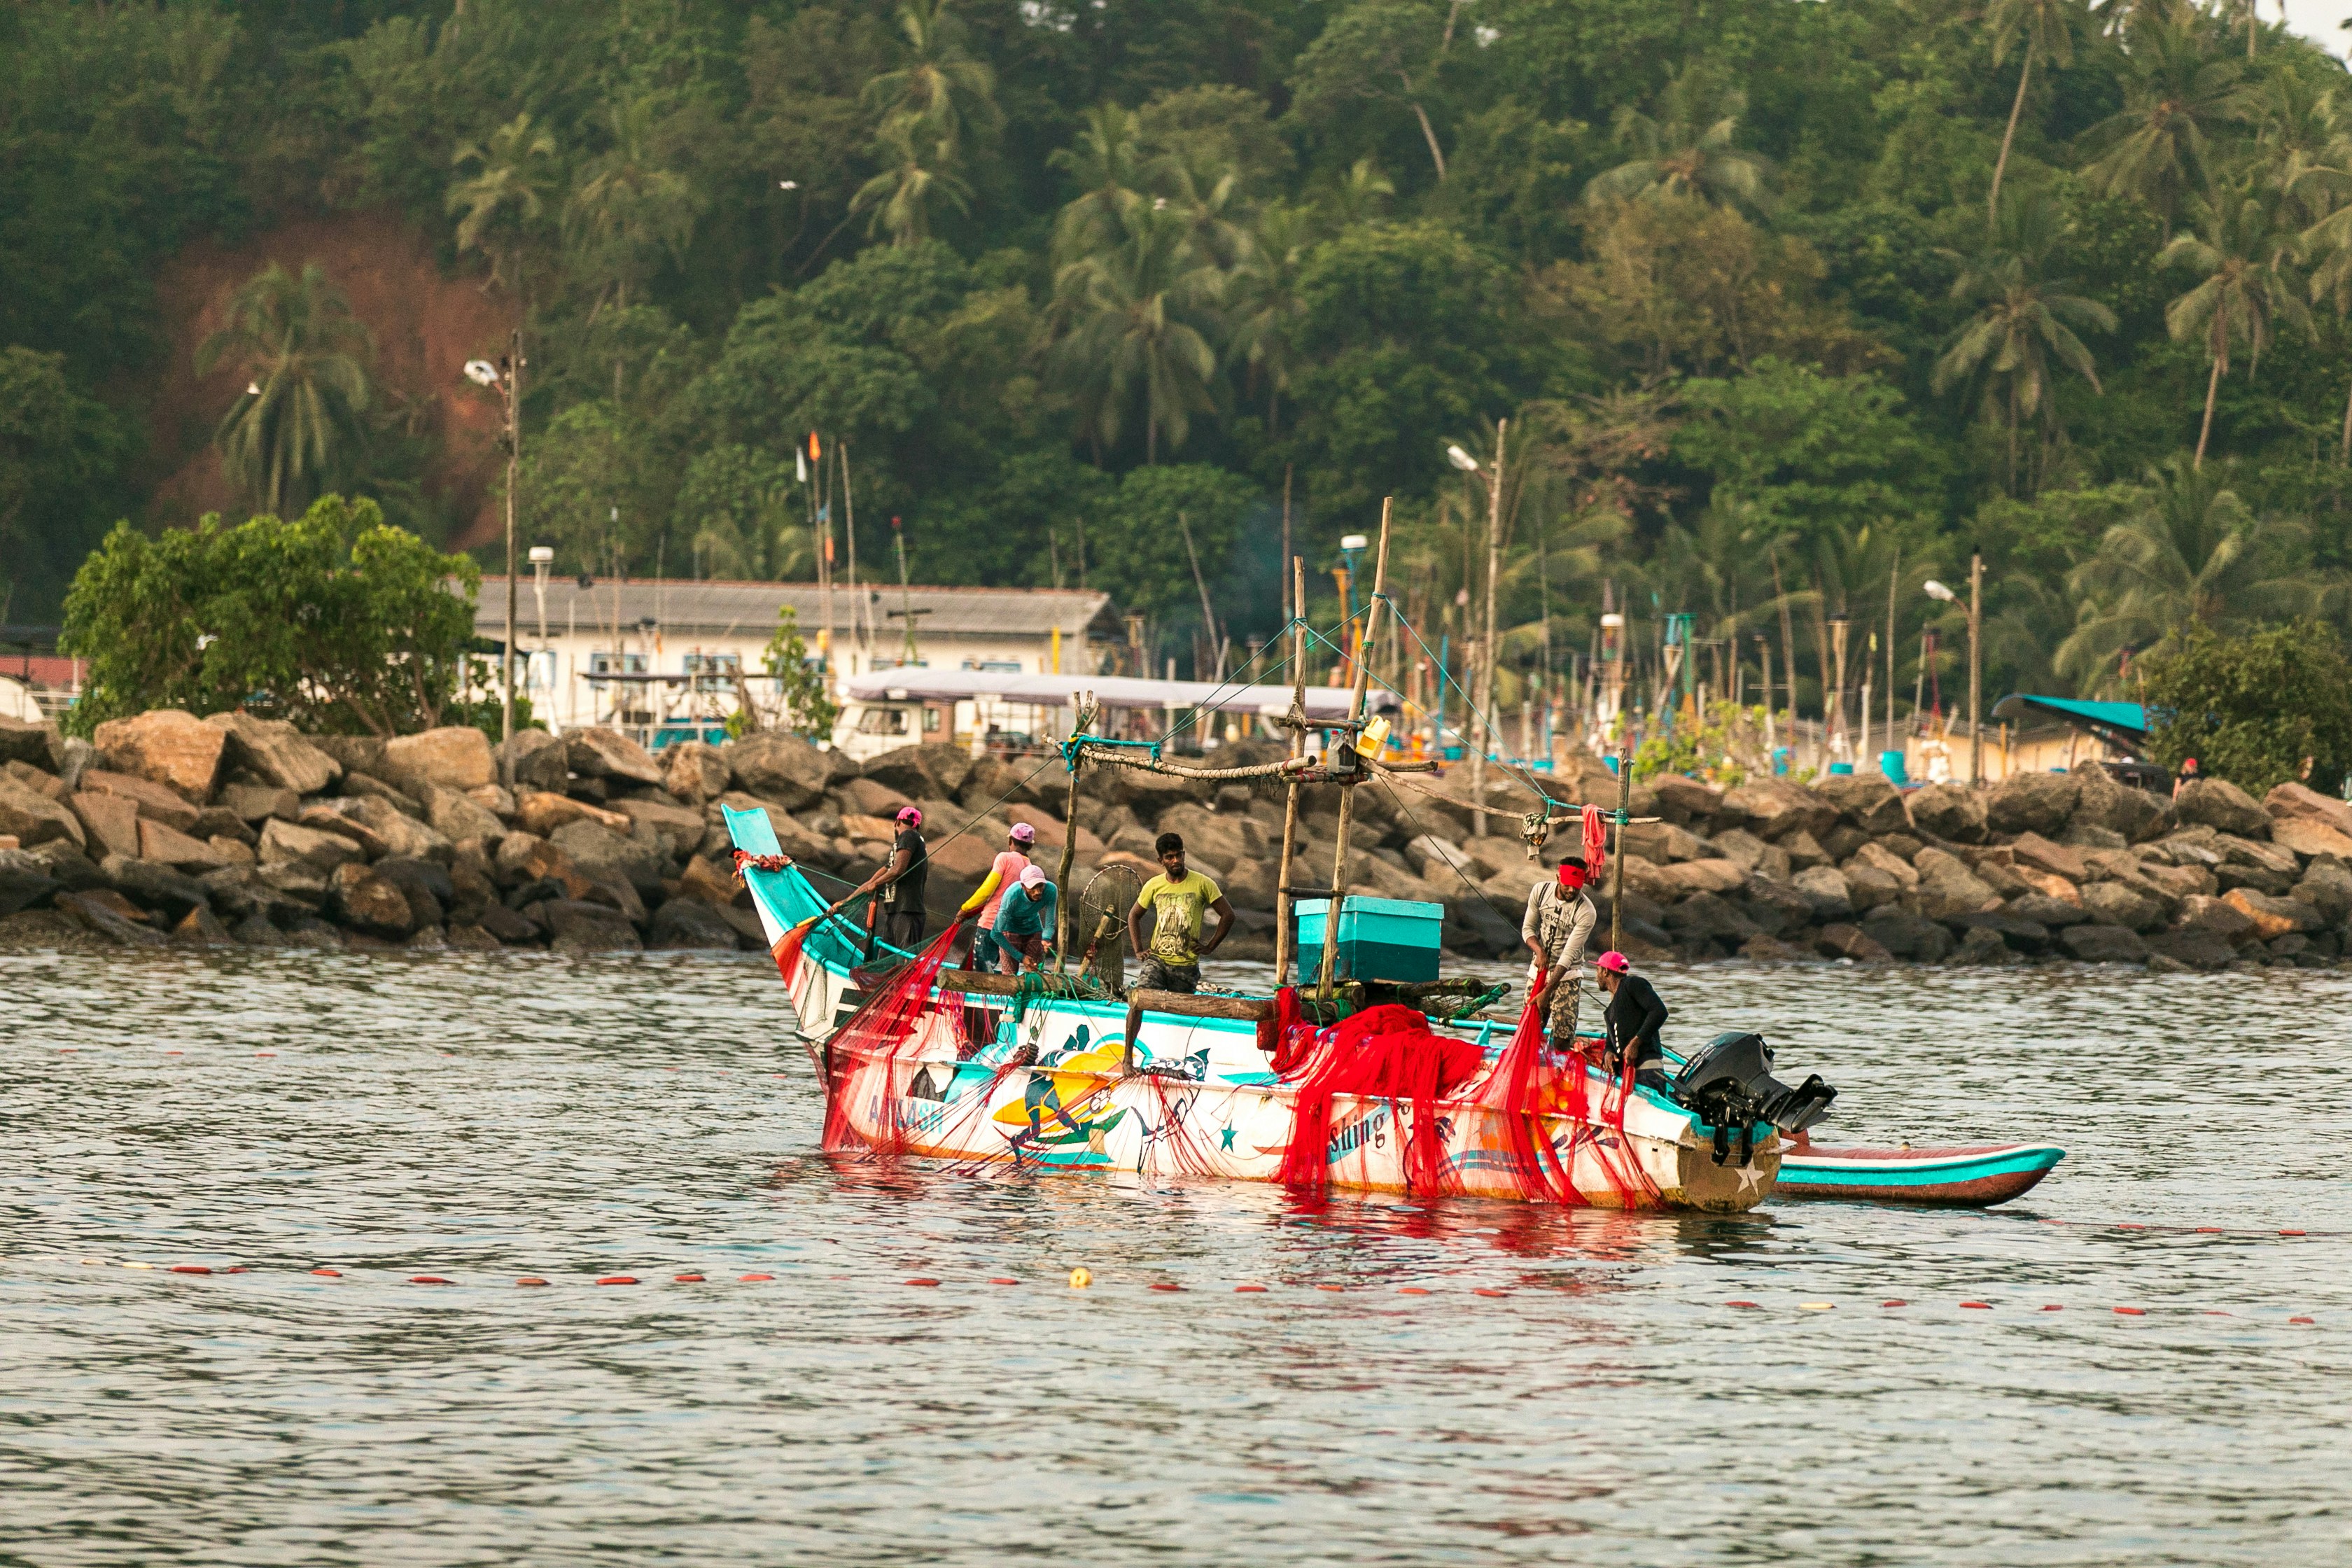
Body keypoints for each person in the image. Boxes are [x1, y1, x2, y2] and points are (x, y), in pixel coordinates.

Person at [1127, 832, 1233, 995]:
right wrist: (1139, 950)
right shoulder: (1153, 885)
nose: (1175, 861)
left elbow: (1228, 915)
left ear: (1183, 855)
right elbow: (1134, 916)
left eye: (1178, 855)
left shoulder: (1203, 883)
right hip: (1157, 960)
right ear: (1161, 861)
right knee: (1140, 998)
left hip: (1187, 965)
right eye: (1169, 857)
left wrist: (1210, 947)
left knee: (1180, 1010)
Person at [1523, 854, 1599, 1049]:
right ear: (1558, 878)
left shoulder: (1586, 911)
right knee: (1530, 1030)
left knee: (1563, 1037)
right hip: (1538, 971)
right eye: (1567, 884)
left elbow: (1568, 955)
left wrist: (1547, 992)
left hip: (1568, 976)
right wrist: (1539, 951)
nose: (1572, 890)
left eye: (1577, 885)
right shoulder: (1540, 891)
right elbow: (1528, 929)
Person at [958, 822, 1037, 972]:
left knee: (981, 975)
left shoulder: (1004, 858)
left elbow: (987, 890)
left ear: (1010, 841)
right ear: (1030, 846)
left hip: (990, 925)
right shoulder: (1031, 869)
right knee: (986, 969)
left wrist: (965, 909)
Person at [852, 805, 929, 958]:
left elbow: (898, 870)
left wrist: (875, 884)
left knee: (903, 966)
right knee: (884, 963)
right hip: (895, 912)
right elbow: (882, 874)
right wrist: (846, 901)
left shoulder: (908, 836)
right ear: (918, 825)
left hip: (907, 913)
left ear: (897, 823)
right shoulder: (906, 843)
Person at [1595, 950, 1671, 1093]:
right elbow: (1611, 1043)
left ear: (1605, 971)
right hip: (1628, 1075)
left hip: (1647, 1071)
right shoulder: (1610, 1010)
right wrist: (1608, 1053)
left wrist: (1635, 1043)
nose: (1596, 976)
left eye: (1598, 970)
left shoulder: (1633, 984)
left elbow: (1659, 1011)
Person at [991, 864, 1060, 972]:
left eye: (1040, 886)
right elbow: (995, 933)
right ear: (1023, 886)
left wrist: (1045, 939)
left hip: (1034, 928)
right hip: (1010, 929)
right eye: (1033, 887)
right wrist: (1021, 958)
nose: (1038, 892)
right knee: (1010, 975)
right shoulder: (1012, 896)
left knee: (1036, 972)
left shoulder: (1051, 890)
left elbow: (1050, 925)